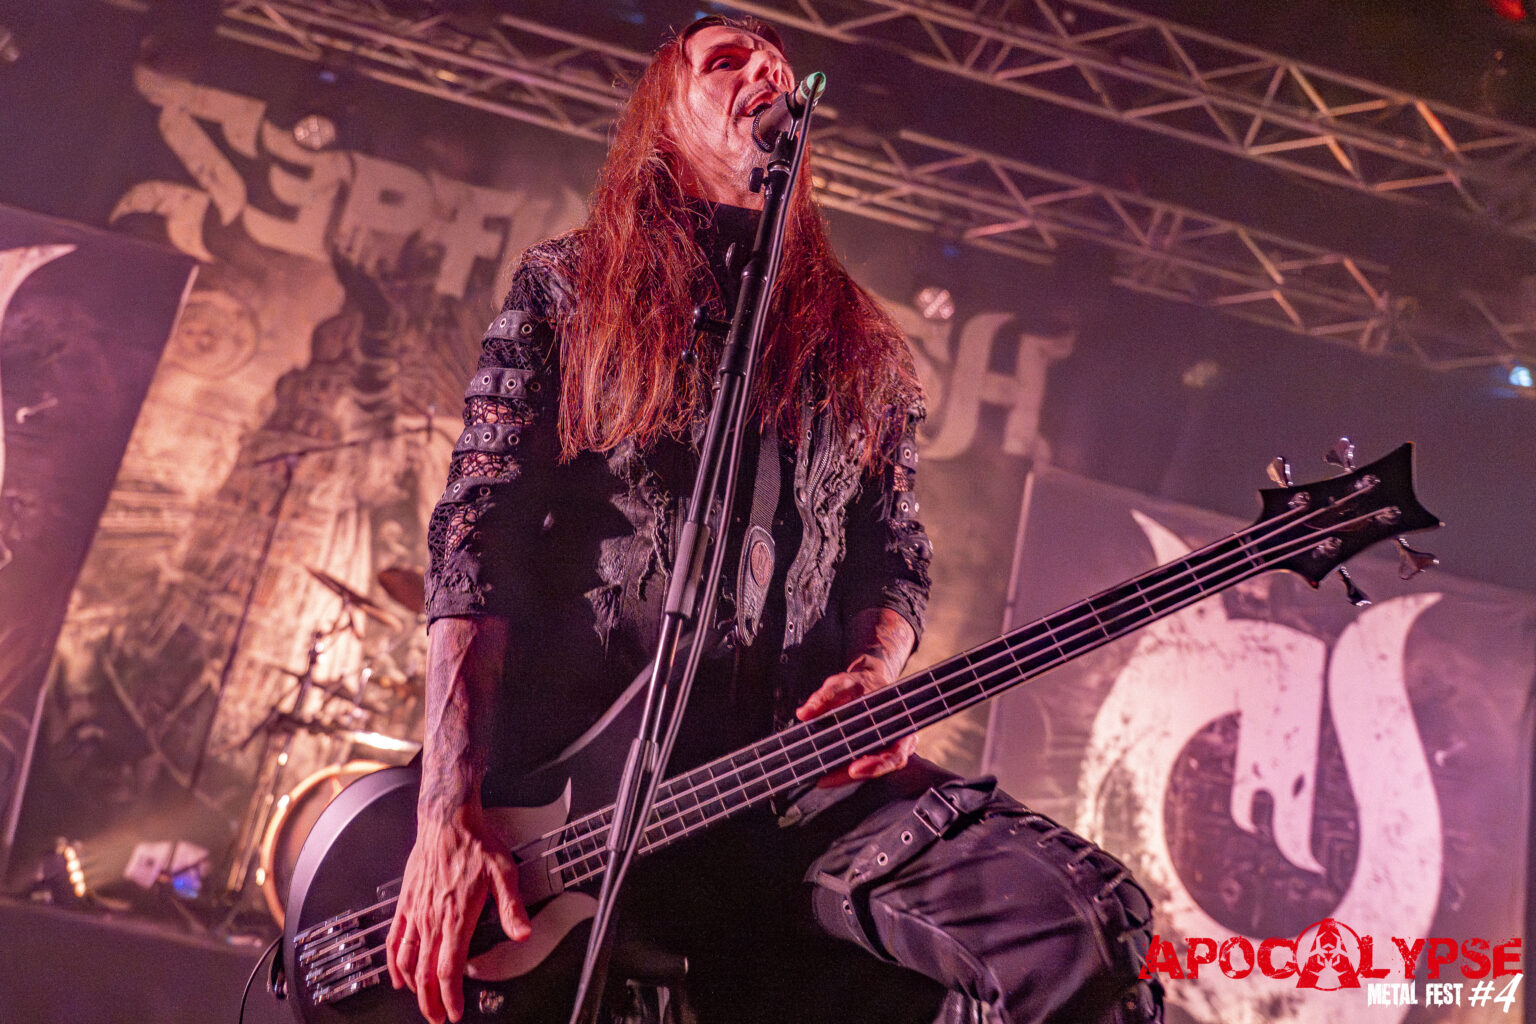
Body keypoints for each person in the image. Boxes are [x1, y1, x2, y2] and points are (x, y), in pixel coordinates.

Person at [385, 14, 1161, 1024]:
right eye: (727, 61)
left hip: (787, 789)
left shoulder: (861, 343)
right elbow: (474, 537)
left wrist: (874, 671)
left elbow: (894, 558)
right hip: (576, 799)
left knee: (1084, 926)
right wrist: (447, 810)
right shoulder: (570, 286)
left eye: (778, 66)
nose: (765, 73)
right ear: (664, 118)